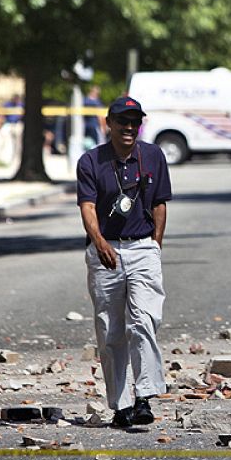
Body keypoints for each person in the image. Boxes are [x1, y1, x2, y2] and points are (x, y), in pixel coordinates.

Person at [77, 96, 173, 428]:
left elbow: (160, 203)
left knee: (144, 321)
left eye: (135, 121)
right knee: (110, 330)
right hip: (106, 251)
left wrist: (155, 246)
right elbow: (87, 208)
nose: (129, 127)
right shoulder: (91, 161)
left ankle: (144, 396)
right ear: (109, 123)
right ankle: (120, 405)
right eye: (123, 121)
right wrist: (100, 241)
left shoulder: (154, 156)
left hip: (143, 248)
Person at [0, 94, 23, 165]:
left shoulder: (21, 105)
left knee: (19, 140)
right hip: (8, 124)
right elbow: (1, 115)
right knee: (4, 137)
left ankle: (18, 158)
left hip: (17, 124)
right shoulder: (7, 105)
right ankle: (1, 157)